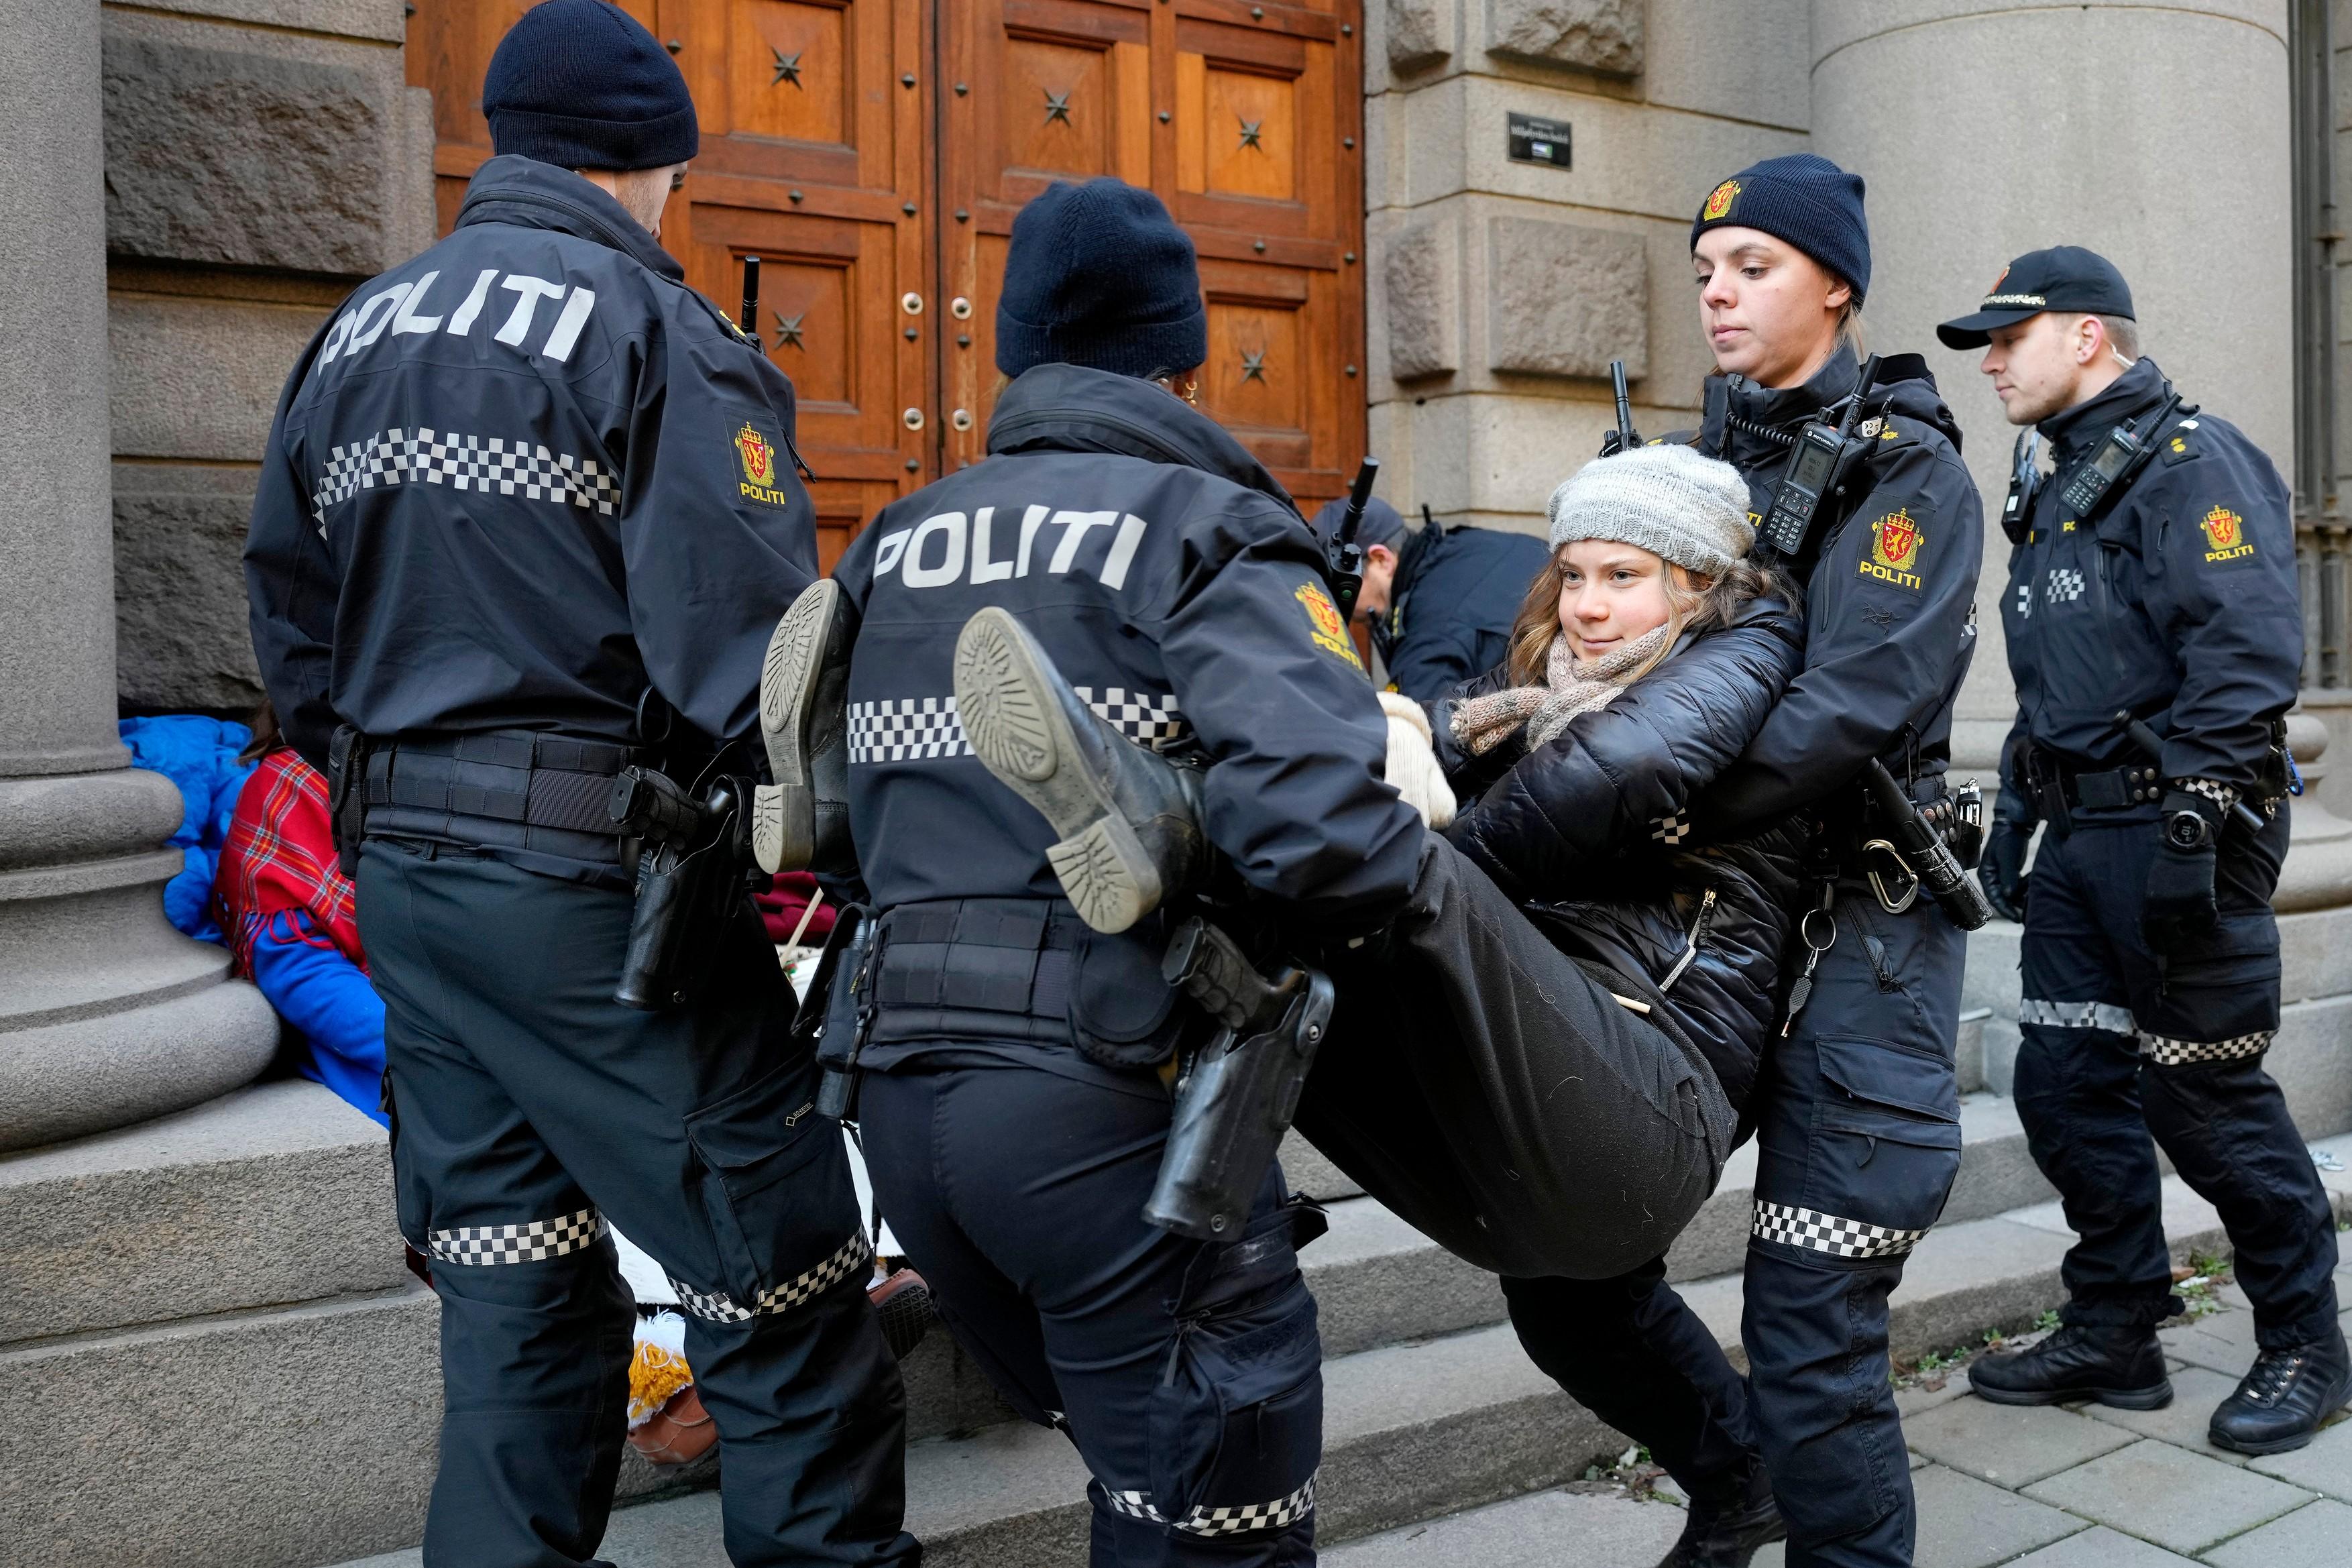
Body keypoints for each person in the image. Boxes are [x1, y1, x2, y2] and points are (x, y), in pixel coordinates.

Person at [761, 176, 1745, 1564]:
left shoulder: (894, 540)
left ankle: (1144, 809)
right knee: (1219, 1514)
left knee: (1132, 1478)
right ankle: (1151, 818)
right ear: (1183, 352)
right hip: (1107, 1104)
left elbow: (857, 831)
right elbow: (1326, 845)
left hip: (900, 1092)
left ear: (1011, 349)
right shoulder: (1207, 524)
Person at [241, 5, 917, 1564]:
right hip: (601, 901)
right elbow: (745, 671)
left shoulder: (354, 332)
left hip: (408, 887)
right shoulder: (660, 332)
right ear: (658, 161)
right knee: (790, 1292)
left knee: (519, 1302)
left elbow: (292, 626)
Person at [1522, 154, 1986, 1568]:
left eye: (1756, 268)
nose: (1717, 293)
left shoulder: (1912, 476)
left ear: (1835, 284)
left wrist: (1650, 806)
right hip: (1688, 927)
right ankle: (1737, 1486)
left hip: (1858, 927)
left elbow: (1846, 709)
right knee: (1565, 1265)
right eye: (1706, 271)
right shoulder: (1693, 469)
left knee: (1811, 1328)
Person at [1942, 248, 2346, 1452]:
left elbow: (2244, 652)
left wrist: (2200, 827)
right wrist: (2021, 804)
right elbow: (2073, 667)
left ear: (2086, 336)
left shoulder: (2191, 461)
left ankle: (2307, 1346)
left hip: (2177, 833)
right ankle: (2114, 1328)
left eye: (2010, 339)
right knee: (2063, 1085)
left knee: (2205, 1095)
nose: (1993, 363)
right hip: (2081, 833)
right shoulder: (2059, 475)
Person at [1306, 494, 1549, 702]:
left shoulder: (1429, 633)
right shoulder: (1469, 546)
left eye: (1336, 585)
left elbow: (1420, 739)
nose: (1331, 602)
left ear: (1382, 560)